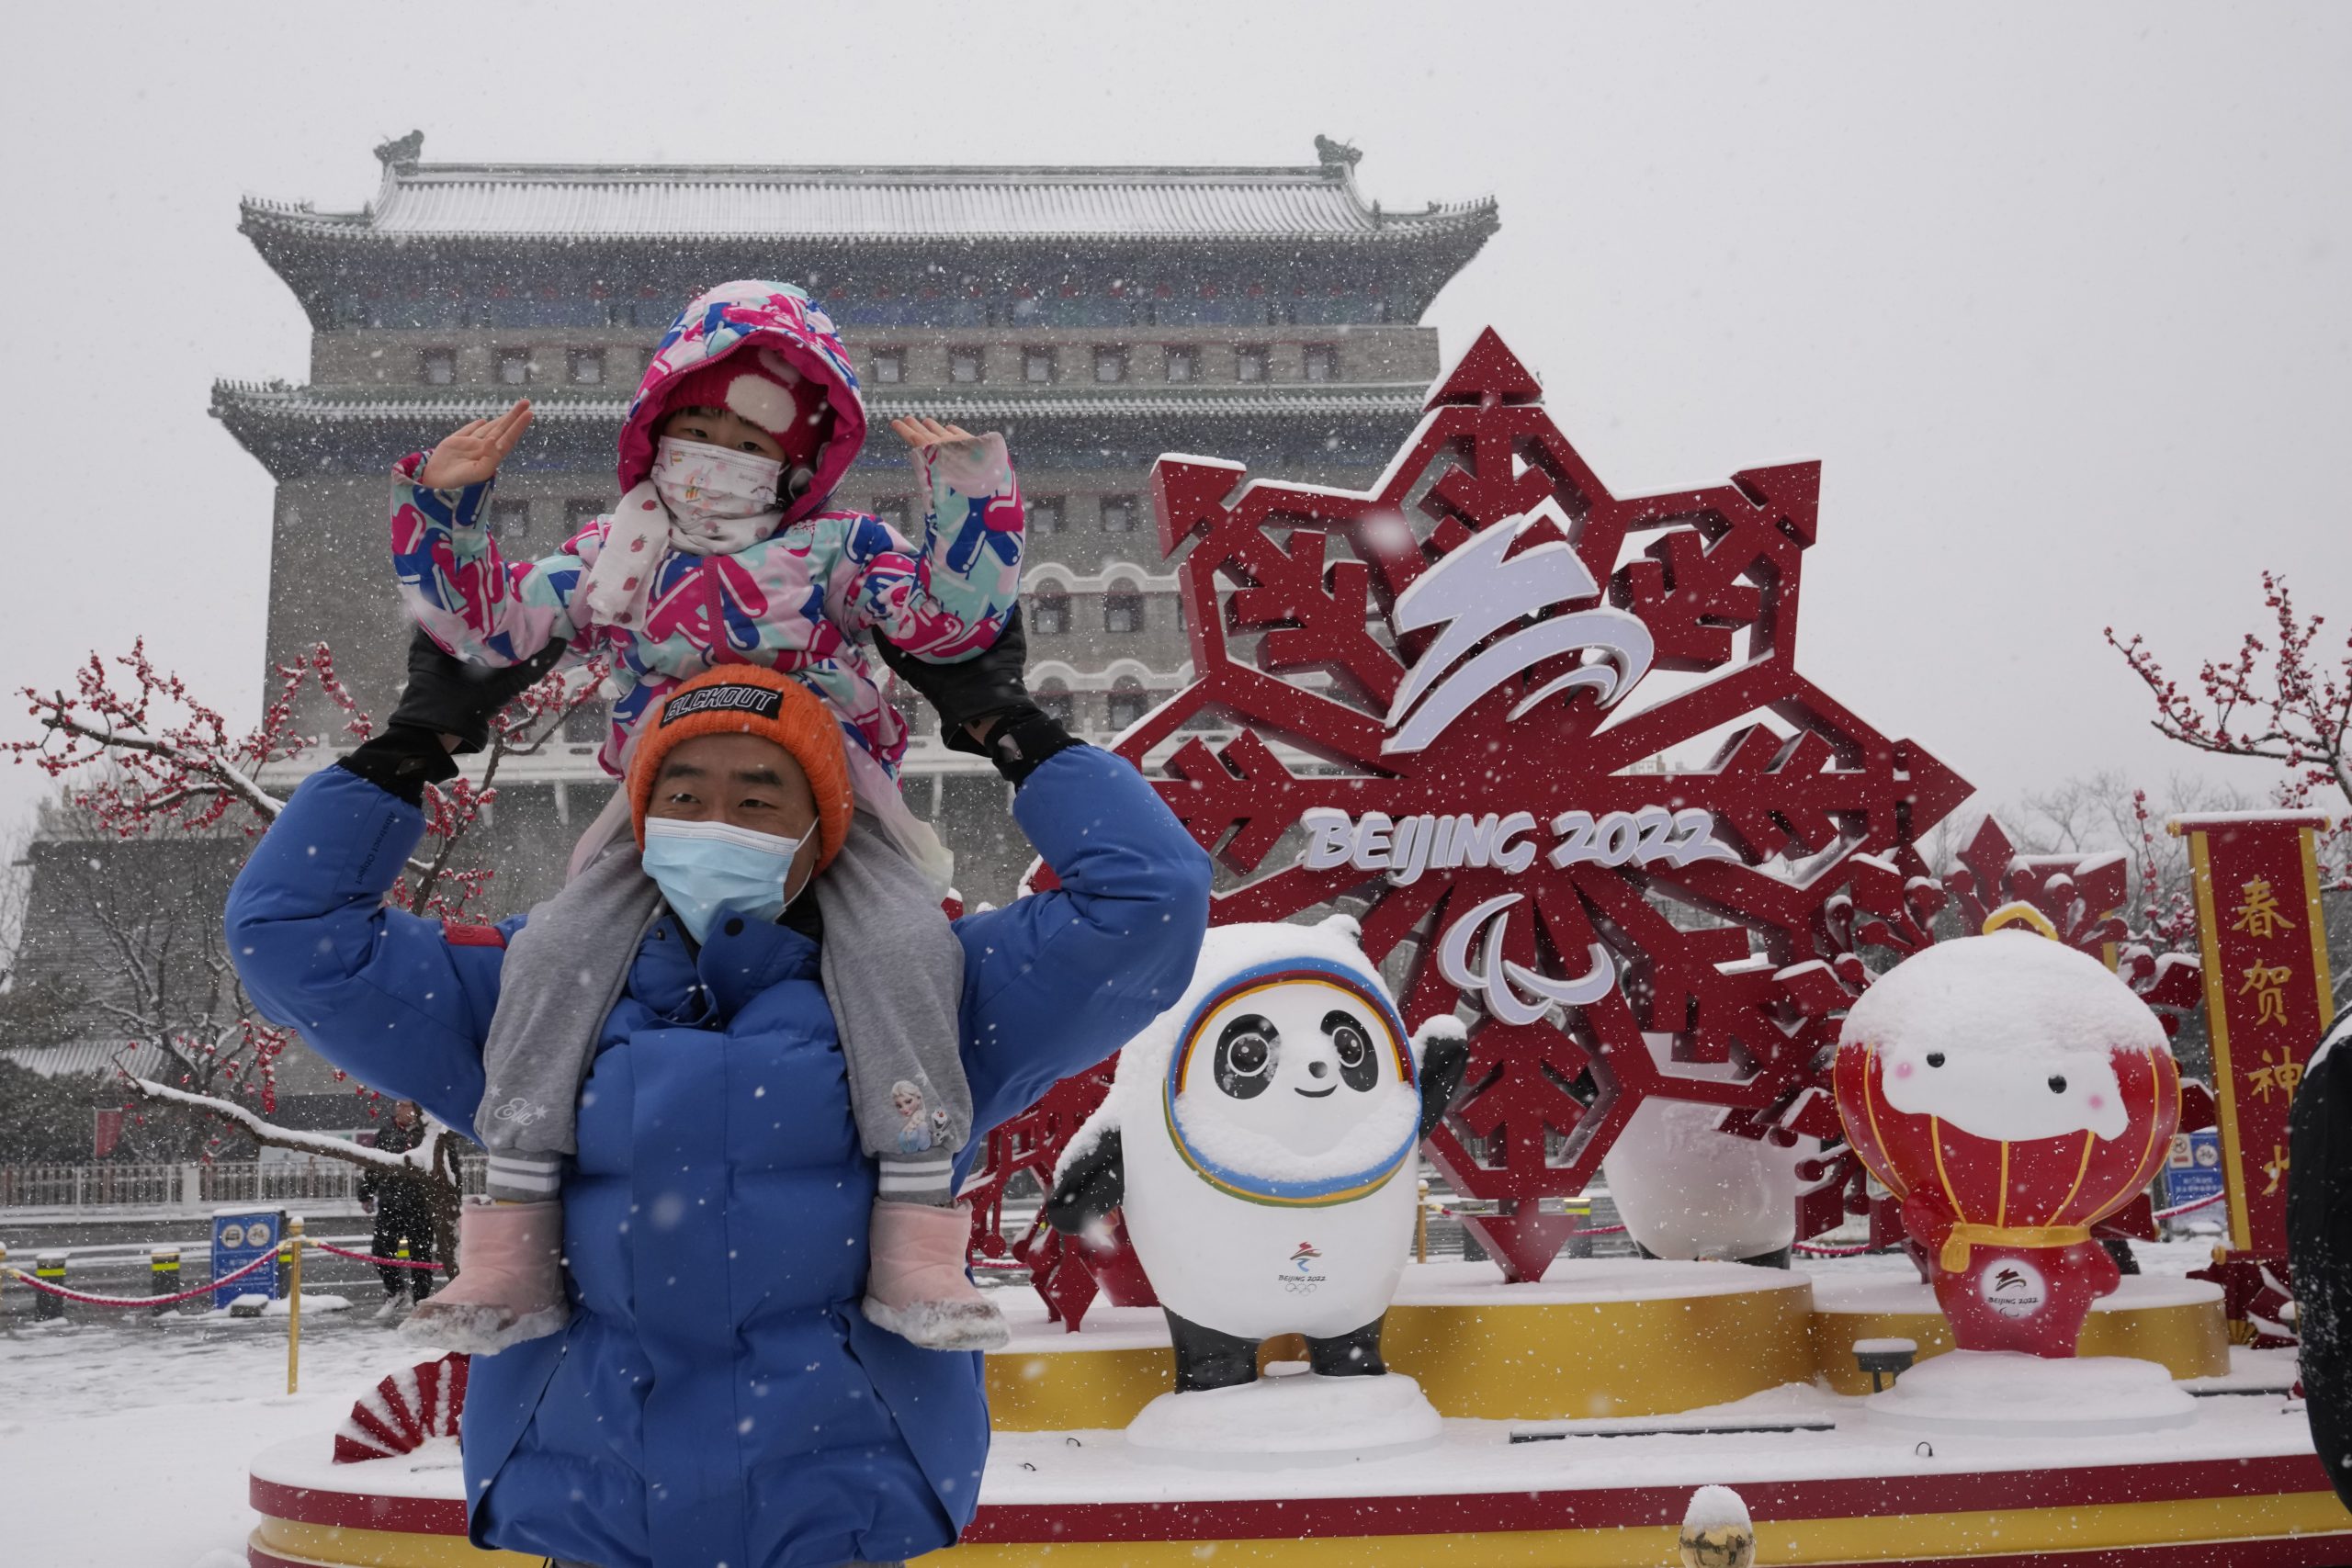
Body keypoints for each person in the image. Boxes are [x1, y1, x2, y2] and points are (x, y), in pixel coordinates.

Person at [224, 622, 1210, 1568]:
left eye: (757, 798)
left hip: (839, 1512)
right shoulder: (529, 991)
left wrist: (1010, 727)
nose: (713, 825)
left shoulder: (936, 991)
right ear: (640, 817)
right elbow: (291, 937)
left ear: (823, 827)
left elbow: (1148, 900)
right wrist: (411, 747)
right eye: (682, 794)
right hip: (596, 1511)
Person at [390, 279, 1024, 1353]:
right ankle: (507, 1246)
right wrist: (444, 511)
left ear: (796, 457)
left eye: (747, 436)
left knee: (907, 947)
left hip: (827, 802)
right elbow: (490, 631)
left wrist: (968, 497)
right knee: (554, 957)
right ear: (656, 429)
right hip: (667, 806)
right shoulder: (616, 552)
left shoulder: (838, 547)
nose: (717, 452)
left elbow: (951, 623)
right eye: (697, 426)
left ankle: (918, 1238)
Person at [357, 1099, 437, 1312]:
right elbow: (374, 1164)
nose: (402, 1110)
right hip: (390, 1203)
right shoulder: (387, 1132)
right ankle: (395, 1291)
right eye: (399, 1105)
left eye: (407, 1105)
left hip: (420, 1205)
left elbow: (445, 1167)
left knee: (420, 1257)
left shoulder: (430, 1133)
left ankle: (420, 1301)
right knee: (381, 1251)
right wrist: (366, 1193)